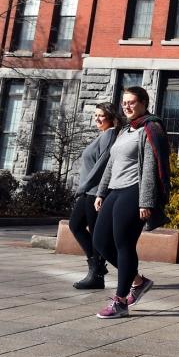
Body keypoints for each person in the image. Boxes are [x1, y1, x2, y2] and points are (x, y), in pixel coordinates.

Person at [92, 86, 171, 319]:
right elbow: (110, 163)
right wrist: (101, 192)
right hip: (115, 190)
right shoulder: (124, 129)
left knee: (123, 244)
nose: (126, 106)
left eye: (131, 102)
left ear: (144, 103)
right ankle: (138, 281)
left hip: (134, 191)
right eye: (124, 102)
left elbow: (150, 168)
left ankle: (120, 301)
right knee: (99, 241)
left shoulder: (150, 127)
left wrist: (145, 201)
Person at [68, 102, 122, 290]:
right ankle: (96, 268)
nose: (97, 119)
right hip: (89, 191)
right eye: (96, 115)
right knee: (76, 226)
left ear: (111, 117)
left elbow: (102, 164)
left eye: (101, 115)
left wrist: (84, 186)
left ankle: (97, 274)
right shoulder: (104, 135)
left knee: (91, 230)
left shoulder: (110, 134)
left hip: (94, 191)